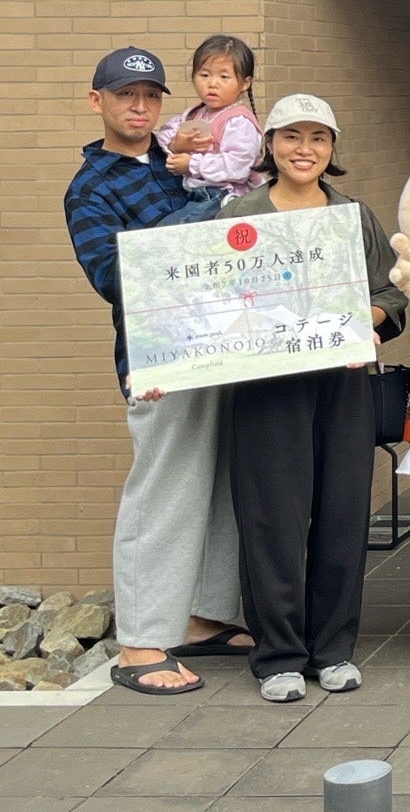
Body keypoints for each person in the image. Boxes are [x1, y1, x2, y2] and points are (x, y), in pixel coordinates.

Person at [64, 46, 252, 695]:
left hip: (221, 347)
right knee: (163, 491)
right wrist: (209, 214)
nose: (140, 107)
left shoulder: (173, 166)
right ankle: (141, 644)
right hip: (159, 362)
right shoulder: (89, 190)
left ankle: (201, 618)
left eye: (150, 96)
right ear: (98, 102)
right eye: (125, 95)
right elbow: (117, 277)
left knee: (222, 485)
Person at [222, 95, 407, 701]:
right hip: (265, 387)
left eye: (319, 138)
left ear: (332, 150)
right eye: (292, 137)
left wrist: (367, 318)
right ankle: (277, 655)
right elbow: (207, 303)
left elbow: (391, 294)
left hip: (342, 381)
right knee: (271, 518)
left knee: (342, 512)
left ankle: (332, 651)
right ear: (270, 145)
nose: (306, 149)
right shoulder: (237, 214)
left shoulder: (353, 215)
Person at [154, 34, 265, 222]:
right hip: (195, 194)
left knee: (168, 231)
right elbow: (162, 136)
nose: (212, 83)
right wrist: (176, 145)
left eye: (224, 76)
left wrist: (191, 164)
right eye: (204, 75)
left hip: (220, 196)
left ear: (245, 83)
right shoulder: (194, 114)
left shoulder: (238, 121)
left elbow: (238, 166)